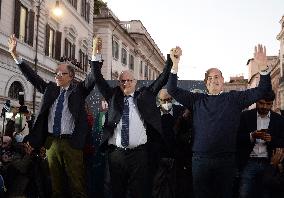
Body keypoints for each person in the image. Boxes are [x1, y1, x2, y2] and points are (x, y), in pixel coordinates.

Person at [167, 45, 272, 198]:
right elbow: (172, 90)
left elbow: (262, 90)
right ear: (205, 83)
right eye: (209, 78)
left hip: (226, 161)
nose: (213, 80)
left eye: (216, 77)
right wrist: (174, 65)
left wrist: (263, 67)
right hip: (200, 161)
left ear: (223, 80)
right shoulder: (197, 100)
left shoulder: (234, 99)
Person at [8, 34, 100, 197]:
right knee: (55, 186)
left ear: (70, 77)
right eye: (56, 73)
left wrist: (95, 53)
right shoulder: (50, 89)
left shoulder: (79, 90)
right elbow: (32, 76)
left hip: (72, 143)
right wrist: (15, 55)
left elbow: (93, 77)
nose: (57, 75)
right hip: (51, 143)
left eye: (61, 73)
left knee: (77, 185)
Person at [92, 38, 174, 198]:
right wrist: (96, 54)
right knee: (116, 191)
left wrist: (170, 60)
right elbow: (97, 78)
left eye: (129, 80)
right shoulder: (113, 95)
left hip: (140, 155)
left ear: (135, 82)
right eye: (123, 81)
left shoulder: (145, 95)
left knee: (139, 192)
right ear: (118, 82)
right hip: (116, 154)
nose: (126, 83)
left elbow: (162, 78)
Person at [237, 91, 284, 198]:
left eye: (268, 104)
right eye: (261, 103)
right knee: (244, 194)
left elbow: (282, 141)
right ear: (256, 102)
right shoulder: (245, 116)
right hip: (249, 162)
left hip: (269, 163)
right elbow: (236, 139)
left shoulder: (279, 119)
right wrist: (252, 136)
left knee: (266, 194)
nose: (264, 106)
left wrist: (272, 139)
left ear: (272, 103)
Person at [152, 89, 193, 198]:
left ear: (173, 99)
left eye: (169, 99)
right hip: (159, 159)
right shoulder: (152, 114)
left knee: (177, 189)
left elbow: (187, 133)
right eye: (163, 100)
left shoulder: (181, 111)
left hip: (178, 159)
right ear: (158, 100)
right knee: (157, 189)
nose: (166, 103)